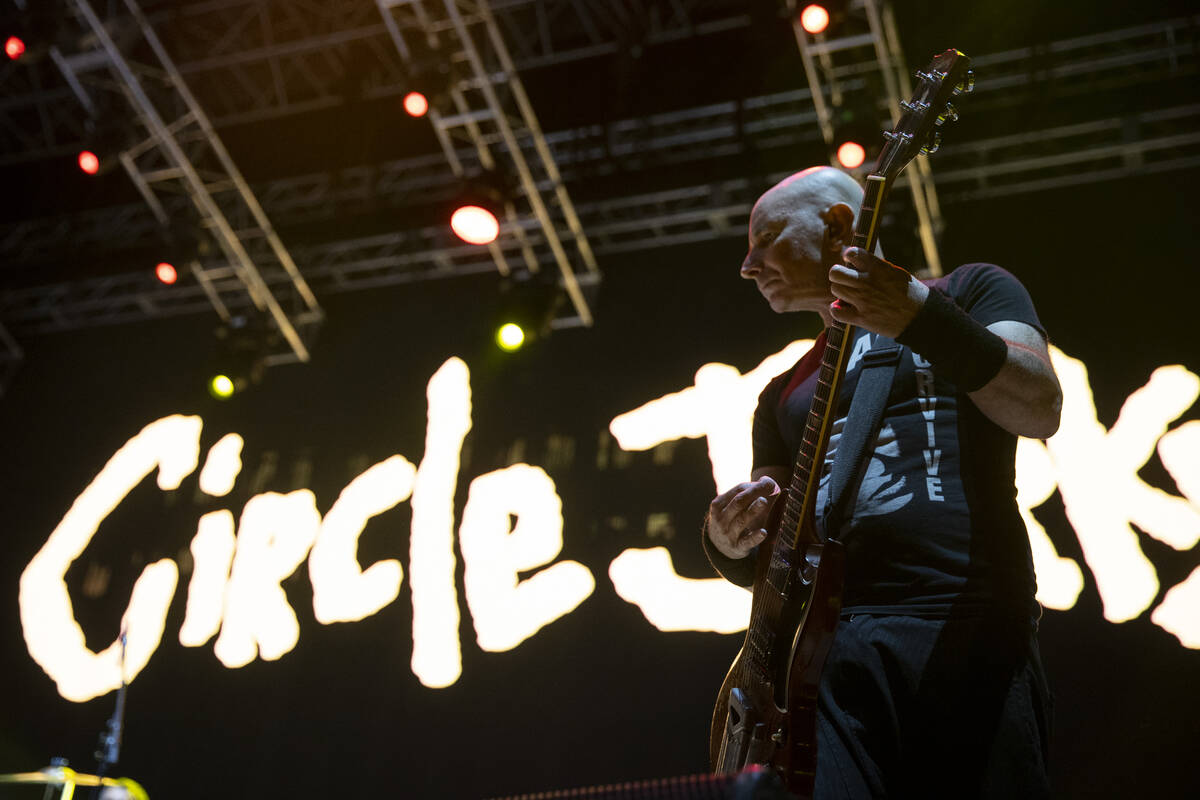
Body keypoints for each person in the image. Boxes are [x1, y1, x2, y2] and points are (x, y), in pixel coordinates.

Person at [703, 166, 1062, 798]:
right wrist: (726, 541)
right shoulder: (779, 395)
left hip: (965, 615)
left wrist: (920, 318)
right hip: (828, 656)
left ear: (838, 225)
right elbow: (775, 555)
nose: (748, 265)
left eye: (766, 239)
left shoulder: (973, 289)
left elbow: (1038, 404)